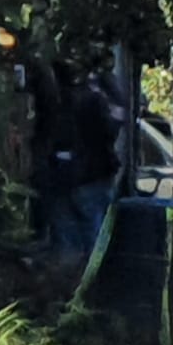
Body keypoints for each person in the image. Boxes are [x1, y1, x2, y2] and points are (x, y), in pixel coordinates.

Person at [45, 60, 123, 264]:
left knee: (70, 238)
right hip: (93, 175)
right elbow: (111, 129)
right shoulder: (94, 99)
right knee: (93, 236)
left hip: (72, 177)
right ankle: (91, 282)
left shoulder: (60, 103)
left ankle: (72, 282)